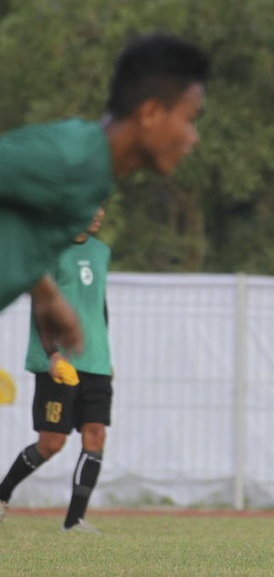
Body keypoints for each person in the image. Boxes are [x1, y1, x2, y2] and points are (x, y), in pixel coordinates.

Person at [0, 33, 210, 358]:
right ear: (151, 113)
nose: (193, 138)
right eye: (190, 119)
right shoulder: (68, 157)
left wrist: (47, 296)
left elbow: (19, 229)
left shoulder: (96, 176)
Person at [0, 208, 112, 532]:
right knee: (52, 443)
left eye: (102, 206)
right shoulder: (49, 250)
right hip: (60, 363)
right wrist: (52, 353)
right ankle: (3, 494)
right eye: (92, 204)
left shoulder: (102, 252)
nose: (98, 212)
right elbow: (42, 305)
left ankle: (74, 521)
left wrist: (106, 356)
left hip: (96, 363)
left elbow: (98, 304)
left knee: (95, 435)